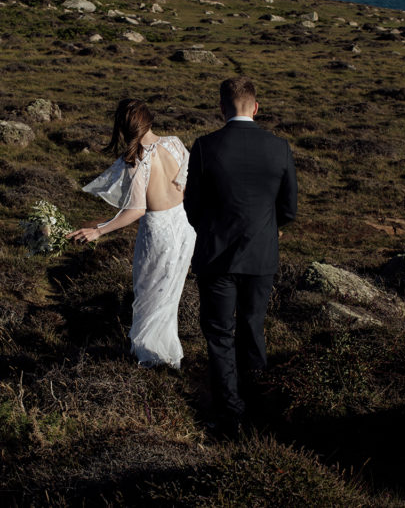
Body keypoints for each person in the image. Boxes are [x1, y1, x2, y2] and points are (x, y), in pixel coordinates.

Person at [183, 76, 297, 437]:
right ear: (256, 106)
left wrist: (211, 231)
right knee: (253, 329)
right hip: (261, 257)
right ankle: (260, 407)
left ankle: (231, 415)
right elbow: (290, 207)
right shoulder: (279, 148)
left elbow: (192, 205)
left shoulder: (204, 146)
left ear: (221, 107)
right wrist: (271, 229)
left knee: (219, 335)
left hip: (216, 257)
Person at [68, 99, 196, 369]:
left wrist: (99, 231)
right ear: (149, 120)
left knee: (150, 292)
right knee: (169, 291)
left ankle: (153, 356)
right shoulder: (174, 143)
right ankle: (167, 352)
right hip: (184, 225)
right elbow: (190, 184)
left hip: (159, 230)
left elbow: (136, 210)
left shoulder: (137, 159)